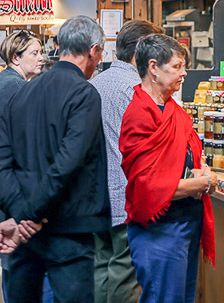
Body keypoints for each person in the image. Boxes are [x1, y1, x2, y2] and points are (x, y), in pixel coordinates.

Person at [0, 16, 110, 302]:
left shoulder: (23, 92)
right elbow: (67, 164)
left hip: (24, 235)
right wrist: (29, 215)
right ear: (93, 51)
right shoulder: (84, 94)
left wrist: (20, 214)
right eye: (100, 53)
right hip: (68, 231)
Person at [119, 34, 217, 303]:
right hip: (159, 232)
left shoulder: (172, 109)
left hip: (184, 224)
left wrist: (201, 169)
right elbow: (148, 186)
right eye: (177, 66)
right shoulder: (140, 114)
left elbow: (184, 158)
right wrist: (203, 184)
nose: (184, 73)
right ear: (153, 67)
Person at [0, 30, 52, 302]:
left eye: (40, 52)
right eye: (34, 53)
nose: (41, 58)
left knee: (17, 270)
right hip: (13, 189)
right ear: (15, 57)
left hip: (9, 186)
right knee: (17, 270)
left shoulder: (13, 83)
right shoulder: (13, 87)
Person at [91, 20, 163, 303]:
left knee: (100, 265)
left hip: (96, 194)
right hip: (127, 195)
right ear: (141, 54)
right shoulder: (138, 90)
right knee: (125, 272)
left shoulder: (95, 83)